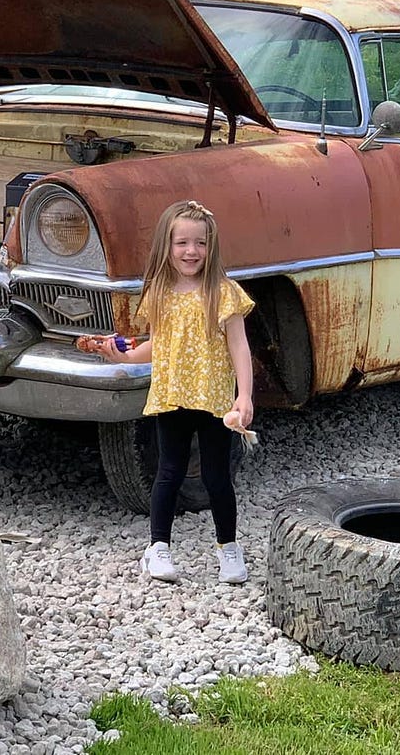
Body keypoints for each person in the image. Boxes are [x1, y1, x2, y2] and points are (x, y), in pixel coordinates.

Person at [91, 199, 255, 584]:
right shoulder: (160, 293)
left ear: (211, 246)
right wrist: (122, 356)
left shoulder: (224, 292)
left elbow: (239, 346)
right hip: (173, 395)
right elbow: (159, 345)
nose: (191, 251)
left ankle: (228, 548)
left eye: (200, 243)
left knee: (217, 477)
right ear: (167, 245)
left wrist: (244, 395)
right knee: (169, 471)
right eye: (182, 243)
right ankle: (157, 548)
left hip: (214, 399)